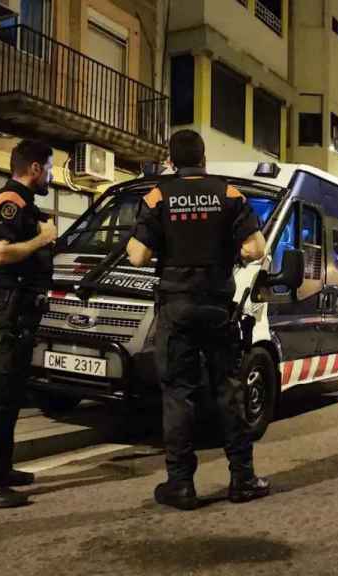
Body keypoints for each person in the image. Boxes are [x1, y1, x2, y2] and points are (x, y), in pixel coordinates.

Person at [126, 129, 270, 511]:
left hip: (176, 308)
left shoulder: (157, 196)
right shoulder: (229, 195)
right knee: (228, 389)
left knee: (178, 394)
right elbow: (256, 249)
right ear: (204, 159)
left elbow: (138, 257)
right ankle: (243, 479)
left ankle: (181, 485)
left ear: (171, 161)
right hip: (217, 307)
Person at [0, 140, 58, 509]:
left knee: (13, 395)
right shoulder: (11, 202)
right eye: (49, 168)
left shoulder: (25, 203)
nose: (51, 175)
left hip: (22, 309)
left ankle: (1, 470)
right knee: (1, 398)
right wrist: (43, 239)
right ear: (35, 168)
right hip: (11, 308)